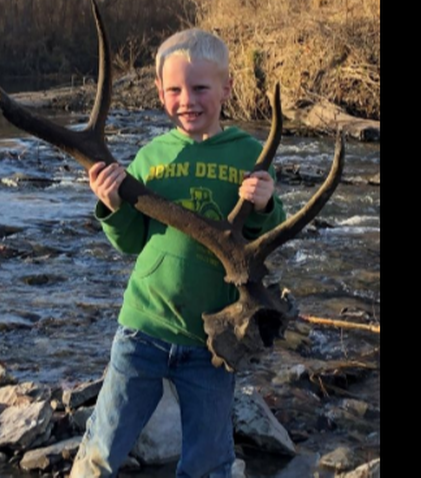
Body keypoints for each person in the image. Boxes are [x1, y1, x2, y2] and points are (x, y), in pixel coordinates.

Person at [71, 29, 286, 477]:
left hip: (213, 342)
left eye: (200, 88)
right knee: (103, 448)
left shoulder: (250, 154)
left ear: (226, 88)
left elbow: (265, 241)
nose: (187, 100)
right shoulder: (151, 158)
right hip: (143, 327)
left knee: (207, 463)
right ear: (159, 93)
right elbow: (131, 242)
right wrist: (111, 206)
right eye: (174, 90)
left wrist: (266, 202)